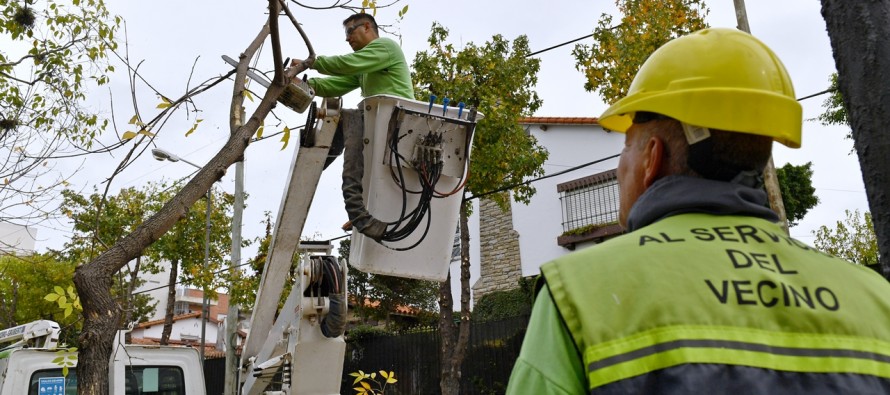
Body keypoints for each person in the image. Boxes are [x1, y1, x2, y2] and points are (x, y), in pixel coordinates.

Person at [506, 27, 890, 394]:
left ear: (652, 158)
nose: (620, 165)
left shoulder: (579, 293)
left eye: (625, 147)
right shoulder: (875, 298)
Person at [291, 13, 414, 169]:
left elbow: (346, 64)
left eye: (350, 31)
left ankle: (314, 166)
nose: (347, 39)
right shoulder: (364, 68)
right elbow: (335, 85)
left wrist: (311, 62)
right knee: (346, 121)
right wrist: (302, 84)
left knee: (347, 117)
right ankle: (312, 166)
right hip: (379, 119)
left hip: (396, 117)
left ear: (367, 27)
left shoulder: (386, 46)